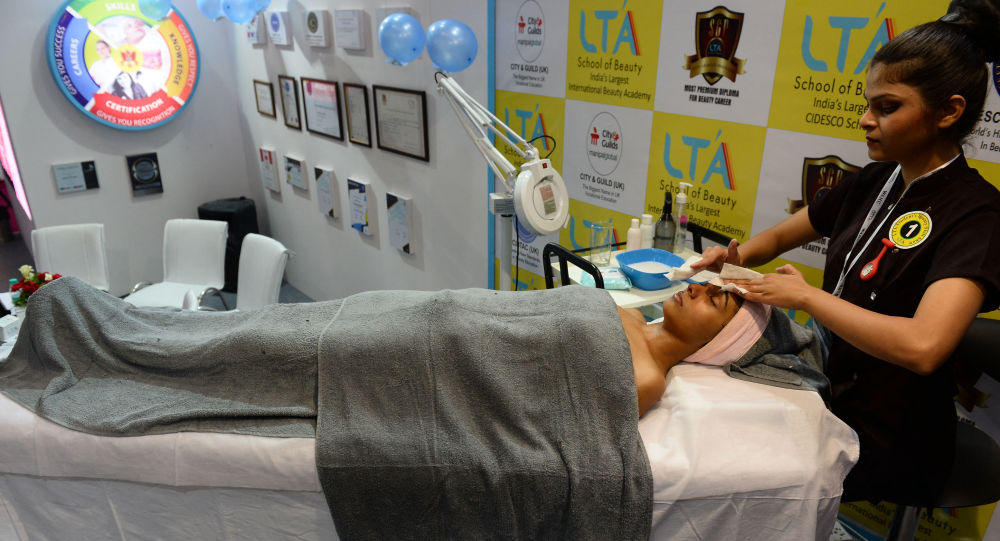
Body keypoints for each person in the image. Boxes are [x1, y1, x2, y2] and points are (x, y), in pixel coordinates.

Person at [693, 0, 1000, 503]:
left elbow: (924, 347)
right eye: (868, 104)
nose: (864, 120)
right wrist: (735, 259)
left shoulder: (977, 214)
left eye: (887, 107)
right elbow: (778, 239)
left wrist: (808, 298)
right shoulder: (874, 181)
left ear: (949, 111)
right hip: (828, 389)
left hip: (892, 434)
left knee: (733, 470)